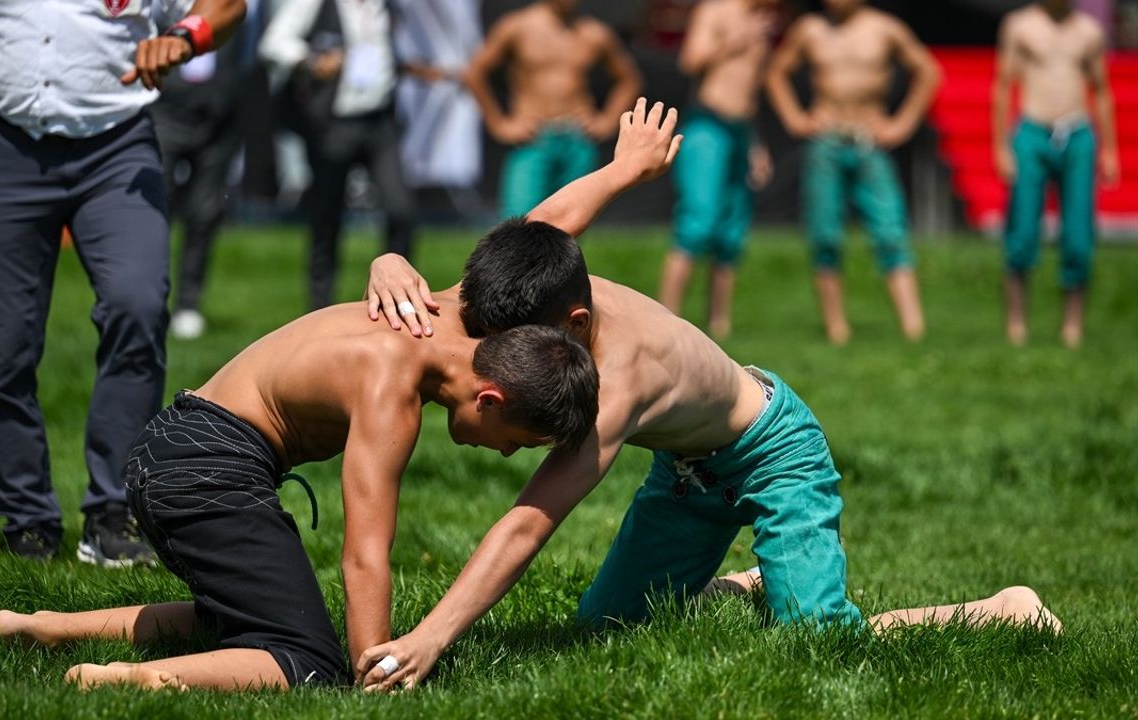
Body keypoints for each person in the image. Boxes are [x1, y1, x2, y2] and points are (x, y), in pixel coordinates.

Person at [355, 99, 1061, 692]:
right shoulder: (538, 279)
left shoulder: (621, 381)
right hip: (687, 473)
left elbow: (529, 521)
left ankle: (1004, 608)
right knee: (604, 632)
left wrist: (431, 637)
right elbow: (546, 222)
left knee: (822, 640)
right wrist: (389, 263)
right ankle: (744, 583)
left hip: (771, 451)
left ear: (571, 326)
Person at [0, 300, 599, 692]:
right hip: (204, 469)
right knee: (307, 660)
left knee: (241, 618)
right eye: (518, 441)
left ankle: (45, 626)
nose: (507, 456)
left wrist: (626, 171)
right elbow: (365, 553)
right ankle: (129, 680)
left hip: (175, 446)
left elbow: (531, 242)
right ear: (490, 398)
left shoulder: (429, 314)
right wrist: (374, 670)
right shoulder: (393, 389)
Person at [0, 0, 246, 564]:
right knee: (2, 341)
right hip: (7, 145)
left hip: (118, 146)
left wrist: (186, 36)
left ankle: (115, 512)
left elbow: (226, 6)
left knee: (137, 305)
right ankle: (28, 519)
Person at [764, 0, 939, 345]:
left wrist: (902, 123)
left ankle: (914, 328)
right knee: (825, 234)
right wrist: (795, 118)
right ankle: (836, 328)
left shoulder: (885, 28)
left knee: (891, 230)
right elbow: (775, 71)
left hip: (868, 141)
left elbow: (928, 71)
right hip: (826, 142)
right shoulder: (810, 29)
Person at [259, 0, 441, 310]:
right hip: (333, 123)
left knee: (401, 210)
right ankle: (319, 306)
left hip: (379, 122)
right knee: (326, 217)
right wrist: (311, 60)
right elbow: (273, 43)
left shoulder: (387, 8)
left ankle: (400, 298)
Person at [993, 0, 1119, 349]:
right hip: (1032, 132)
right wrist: (1001, 146)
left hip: (1077, 133)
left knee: (1079, 235)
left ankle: (1072, 326)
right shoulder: (1019, 25)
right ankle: (1016, 324)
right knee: (1021, 232)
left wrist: (1109, 148)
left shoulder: (1088, 32)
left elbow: (1103, 91)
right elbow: (1003, 85)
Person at [658, 0, 778, 339]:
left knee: (731, 232)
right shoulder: (714, 12)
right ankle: (667, 318)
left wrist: (757, 145)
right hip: (707, 128)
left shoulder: (761, 20)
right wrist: (735, 41)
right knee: (698, 222)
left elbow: (748, 89)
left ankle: (719, 323)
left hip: (741, 132)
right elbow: (690, 61)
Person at [462, 0, 641, 219]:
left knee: (572, 223)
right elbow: (474, 73)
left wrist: (607, 121)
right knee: (518, 222)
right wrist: (499, 124)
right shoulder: (517, 26)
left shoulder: (594, 33)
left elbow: (629, 79)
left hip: (578, 138)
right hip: (533, 137)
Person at [156, 0, 270, 340]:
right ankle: (150, 297)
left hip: (220, 114)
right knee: (155, 207)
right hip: (166, 110)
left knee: (205, 211)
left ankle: (188, 303)